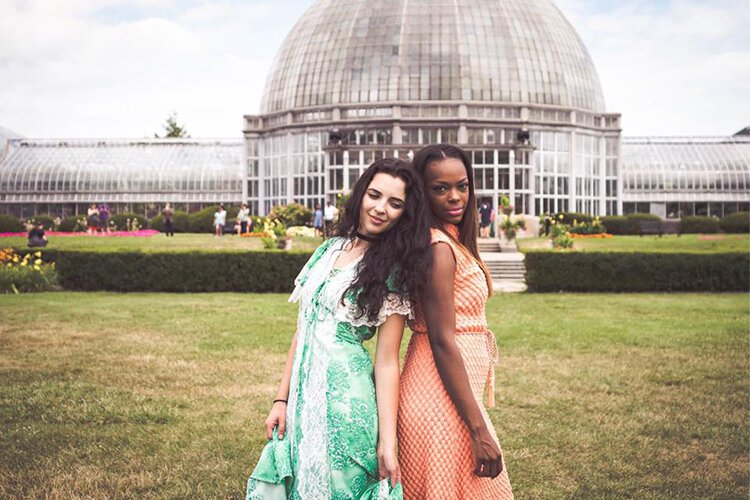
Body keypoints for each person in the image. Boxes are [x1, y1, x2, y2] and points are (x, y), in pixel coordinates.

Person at [245, 158, 431, 499]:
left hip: (346, 403)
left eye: (395, 203)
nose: (380, 208)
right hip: (303, 396)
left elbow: (387, 360)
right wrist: (280, 398)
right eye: (374, 195)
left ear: (405, 214)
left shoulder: (394, 269)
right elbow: (303, 328)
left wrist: (387, 441)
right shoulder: (327, 250)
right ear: (361, 194)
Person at [398, 144, 514, 499]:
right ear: (422, 192)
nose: (455, 196)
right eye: (440, 188)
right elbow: (442, 341)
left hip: (450, 394)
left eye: (462, 186)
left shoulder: (448, 240)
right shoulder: (438, 248)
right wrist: (479, 429)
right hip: (437, 398)